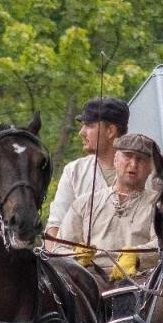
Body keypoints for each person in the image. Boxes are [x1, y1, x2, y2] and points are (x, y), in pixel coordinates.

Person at [59, 131, 163, 281]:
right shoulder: (84, 203)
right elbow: (59, 247)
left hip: (139, 283)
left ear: (151, 168)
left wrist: (137, 256)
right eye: (128, 156)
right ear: (116, 160)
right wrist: (74, 255)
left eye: (141, 159)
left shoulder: (160, 204)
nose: (133, 164)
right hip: (86, 283)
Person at [46, 96, 128, 248]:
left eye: (89, 125)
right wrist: (55, 259)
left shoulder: (146, 172)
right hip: (78, 263)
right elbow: (55, 227)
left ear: (110, 131)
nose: (81, 132)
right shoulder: (74, 172)